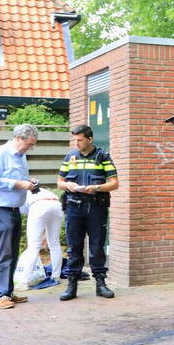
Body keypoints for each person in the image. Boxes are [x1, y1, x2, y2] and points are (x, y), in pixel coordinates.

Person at [0, 124, 40, 309]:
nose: (30, 148)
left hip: (13, 209)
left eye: (32, 145)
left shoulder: (21, 157)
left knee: (12, 253)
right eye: (29, 144)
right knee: (1, 253)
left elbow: (19, 178)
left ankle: (7, 292)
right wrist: (19, 184)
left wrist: (29, 181)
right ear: (18, 138)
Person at [58, 125, 119, 301]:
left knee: (97, 246)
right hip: (73, 207)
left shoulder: (103, 157)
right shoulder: (70, 157)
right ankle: (72, 286)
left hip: (96, 207)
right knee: (74, 247)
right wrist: (68, 185)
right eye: (75, 140)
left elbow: (114, 183)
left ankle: (101, 284)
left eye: (80, 140)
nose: (76, 143)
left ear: (90, 139)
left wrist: (96, 187)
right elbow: (60, 182)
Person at [19, 186, 65, 285]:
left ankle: (24, 280)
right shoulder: (42, 191)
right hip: (57, 205)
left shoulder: (20, 193)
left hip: (39, 205)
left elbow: (29, 213)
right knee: (55, 243)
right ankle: (56, 276)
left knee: (33, 246)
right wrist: (44, 234)